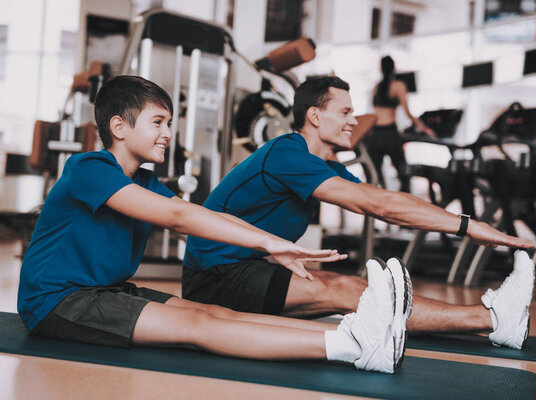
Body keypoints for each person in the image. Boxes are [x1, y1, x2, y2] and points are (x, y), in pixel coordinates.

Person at [16, 75, 411, 375]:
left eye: (169, 122)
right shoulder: (88, 168)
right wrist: (272, 245)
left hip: (106, 291)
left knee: (215, 312)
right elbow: (179, 217)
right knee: (199, 325)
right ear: (120, 127)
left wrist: (270, 242)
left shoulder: (143, 180)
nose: (168, 133)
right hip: (58, 301)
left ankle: (360, 333)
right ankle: (354, 348)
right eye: (158, 122)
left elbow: (204, 218)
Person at [183, 75, 536, 350]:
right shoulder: (286, 155)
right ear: (315, 116)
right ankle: (492, 318)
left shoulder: (323, 165)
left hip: (246, 269)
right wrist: (468, 227)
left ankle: (494, 317)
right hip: (215, 279)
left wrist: (465, 224)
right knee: (346, 290)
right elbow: (380, 207)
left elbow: (382, 199)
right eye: (345, 112)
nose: (353, 120)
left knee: (358, 290)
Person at [366, 55, 435, 191]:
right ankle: (405, 204)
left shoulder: (376, 87)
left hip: (375, 134)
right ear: (394, 68)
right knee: (403, 173)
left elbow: (374, 113)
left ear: (381, 68)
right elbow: (407, 112)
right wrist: (424, 128)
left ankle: (372, 209)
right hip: (389, 134)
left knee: (373, 177)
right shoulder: (398, 86)